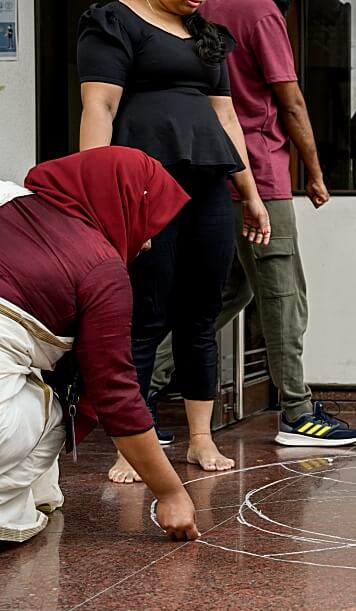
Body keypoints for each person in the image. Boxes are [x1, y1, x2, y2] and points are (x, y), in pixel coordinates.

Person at [146, 0, 356, 448]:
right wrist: (315, 172)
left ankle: (142, 385)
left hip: (206, 174)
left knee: (225, 292)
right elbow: (291, 102)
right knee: (284, 294)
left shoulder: (193, 7)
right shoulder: (259, 11)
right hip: (258, 175)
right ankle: (298, 412)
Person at [77, 0, 273, 483]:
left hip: (206, 184)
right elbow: (99, 106)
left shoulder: (205, 32)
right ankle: (133, 446)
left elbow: (227, 120)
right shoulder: (113, 21)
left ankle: (200, 439)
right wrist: (100, 194)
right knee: (146, 314)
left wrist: (250, 193)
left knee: (200, 315)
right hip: (142, 185)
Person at [0, 147, 200, 543]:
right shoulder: (100, 270)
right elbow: (115, 395)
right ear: (122, 203)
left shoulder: (7, 195)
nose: (146, 243)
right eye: (149, 222)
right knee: (60, 409)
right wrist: (171, 493)